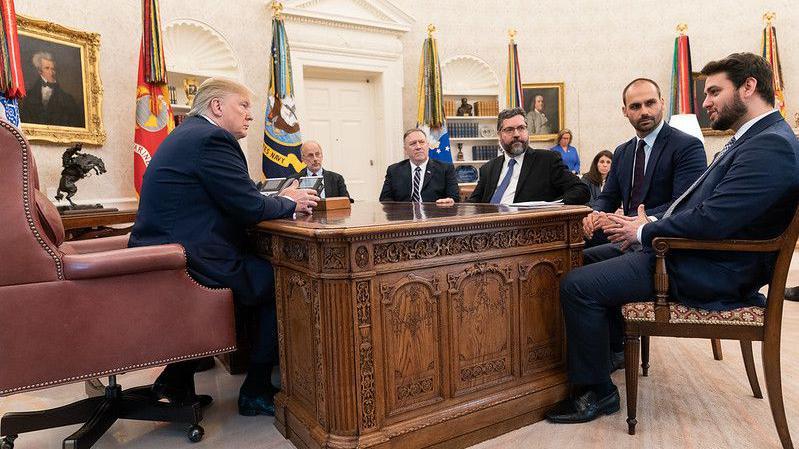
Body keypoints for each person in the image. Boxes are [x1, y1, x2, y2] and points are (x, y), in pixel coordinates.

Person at [545, 53, 799, 425]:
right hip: (696, 254)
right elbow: (706, 208)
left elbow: (712, 219)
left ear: (749, 87)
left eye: (714, 91)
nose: (706, 101)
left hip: (710, 268)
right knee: (585, 260)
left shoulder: (770, 145)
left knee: (575, 285)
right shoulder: (757, 138)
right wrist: (637, 227)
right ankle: (603, 357)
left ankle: (595, 393)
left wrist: (644, 231)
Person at [129, 77, 320, 417]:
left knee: (253, 269)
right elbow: (248, 207)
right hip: (188, 259)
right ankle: (256, 390)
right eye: (243, 105)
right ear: (217, 107)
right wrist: (289, 201)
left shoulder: (188, 134)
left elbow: (236, 197)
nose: (250, 114)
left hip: (167, 255)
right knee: (279, 282)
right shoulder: (213, 138)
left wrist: (274, 199)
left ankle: (175, 379)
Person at [468, 107, 589, 205]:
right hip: (489, 228)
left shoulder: (547, 161)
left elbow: (581, 190)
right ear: (499, 134)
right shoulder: (488, 168)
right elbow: (472, 204)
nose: (516, 134)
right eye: (509, 130)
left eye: (521, 128)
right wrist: (451, 204)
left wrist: (550, 207)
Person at [379, 128, 459, 205]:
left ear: (428, 146)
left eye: (421, 142)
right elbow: (385, 200)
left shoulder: (446, 169)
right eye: (413, 144)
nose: (418, 147)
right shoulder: (394, 171)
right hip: (404, 216)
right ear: (405, 150)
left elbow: (454, 198)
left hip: (435, 215)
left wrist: (450, 201)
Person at [19, 52, 83, 127]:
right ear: (39, 71)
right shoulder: (28, 96)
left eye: (53, 69)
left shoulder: (68, 99)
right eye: (47, 68)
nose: (51, 72)